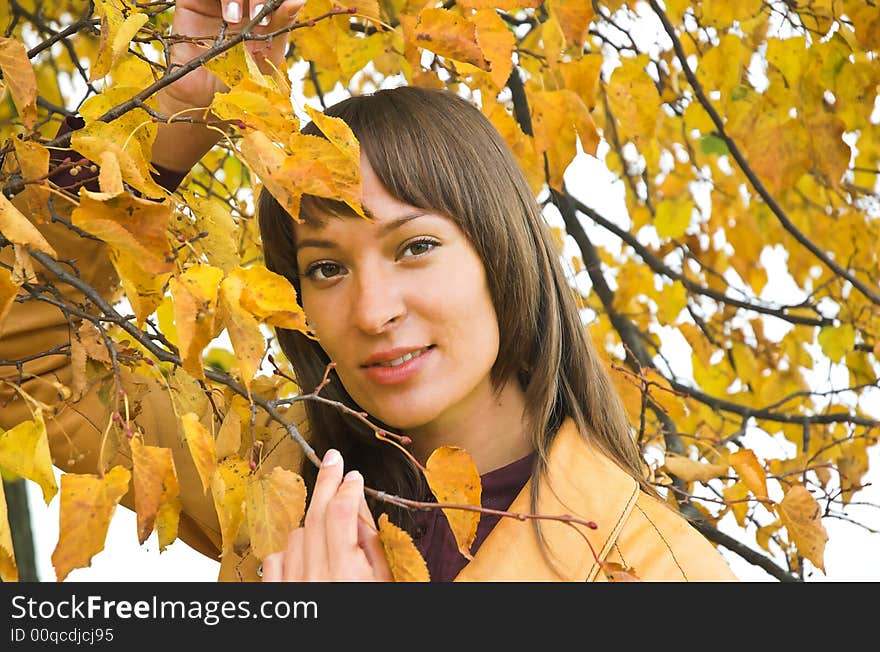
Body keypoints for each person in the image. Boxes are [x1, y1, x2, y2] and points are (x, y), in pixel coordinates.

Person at [0, 0, 738, 582]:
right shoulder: (272, 475)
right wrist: (177, 114)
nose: (373, 311)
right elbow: (21, 354)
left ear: (504, 255)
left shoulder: (655, 568)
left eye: (415, 248)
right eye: (325, 267)